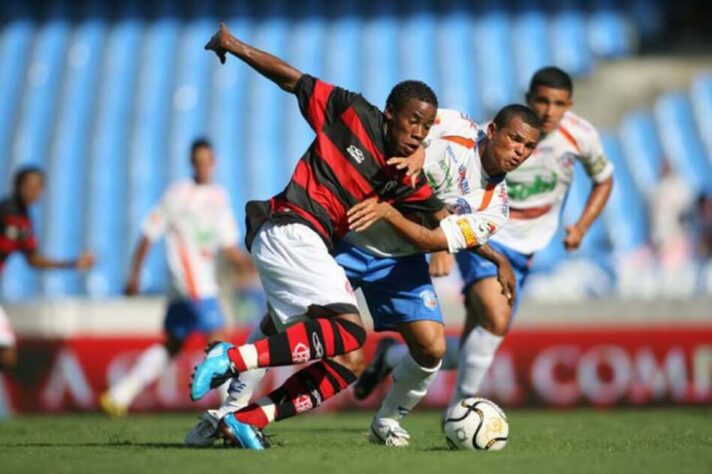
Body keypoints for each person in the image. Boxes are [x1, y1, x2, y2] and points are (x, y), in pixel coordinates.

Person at [185, 105, 540, 448]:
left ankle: (386, 422)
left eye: (528, 147)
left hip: (402, 258)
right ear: (491, 131)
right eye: (515, 140)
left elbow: (433, 237)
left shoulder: (498, 207)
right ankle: (226, 413)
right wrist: (418, 153)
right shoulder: (457, 125)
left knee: (431, 347)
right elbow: (413, 124)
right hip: (351, 233)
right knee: (286, 325)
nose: (519, 151)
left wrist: (396, 216)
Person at [187, 23, 444, 449]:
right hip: (291, 227)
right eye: (413, 120)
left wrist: (493, 254)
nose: (418, 131)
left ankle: (244, 419)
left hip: (301, 244)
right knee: (348, 332)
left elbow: (444, 220)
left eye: (426, 126)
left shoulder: (405, 178)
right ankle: (230, 361)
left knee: (348, 360)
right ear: (389, 112)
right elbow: (292, 79)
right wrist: (234, 45)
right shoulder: (351, 112)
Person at [358, 66, 614, 409]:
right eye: (541, 101)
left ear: (569, 105)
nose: (548, 111)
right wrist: (440, 242)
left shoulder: (581, 137)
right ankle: (463, 410)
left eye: (558, 104)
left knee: (476, 344)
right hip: (481, 235)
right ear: (527, 99)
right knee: (496, 318)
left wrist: (582, 226)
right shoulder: (483, 136)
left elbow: (605, 178)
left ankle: (393, 356)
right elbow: (431, 138)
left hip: (528, 246)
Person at [99, 138, 252, 417]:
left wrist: (251, 265)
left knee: (172, 344)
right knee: (219, 337)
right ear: (191, 163)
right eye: (198, 162)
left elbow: (228, 245)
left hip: (198, 281)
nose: (203, 167)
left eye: (208, 161)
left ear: (214, 163)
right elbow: (149, 232)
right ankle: (233, 411)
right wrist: (134, 274)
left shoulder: (219, 196)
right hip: (188, 279)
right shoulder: (178, 193)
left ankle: (119, 395)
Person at [0, 167, 94, 371]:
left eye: (38, 187)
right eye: (29, 185)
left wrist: (72, 264)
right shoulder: (4, 211)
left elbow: (32, 259)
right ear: (18, 186)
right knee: (6, 354)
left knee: (6, 356)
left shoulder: (24, 220)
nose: (34, 191)